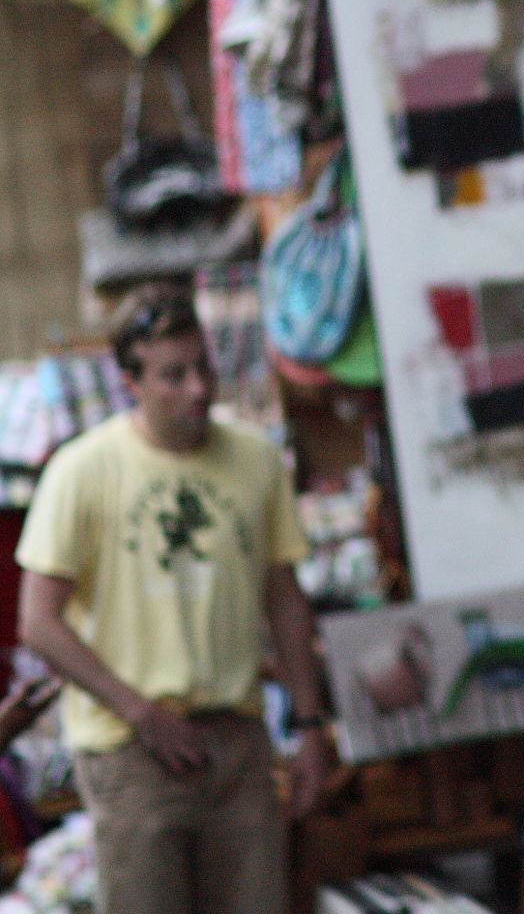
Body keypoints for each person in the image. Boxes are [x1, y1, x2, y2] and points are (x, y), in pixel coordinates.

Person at [15, 284, 333, 914]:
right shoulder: (83, 470)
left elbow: (286, 602)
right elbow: (39, 623)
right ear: (129, 382)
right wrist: (137, 712)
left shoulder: (255, 460)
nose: (197, 389)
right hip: (131, 751)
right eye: (172, 375)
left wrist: (311, 725)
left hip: (237, 742)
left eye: (203, 367)